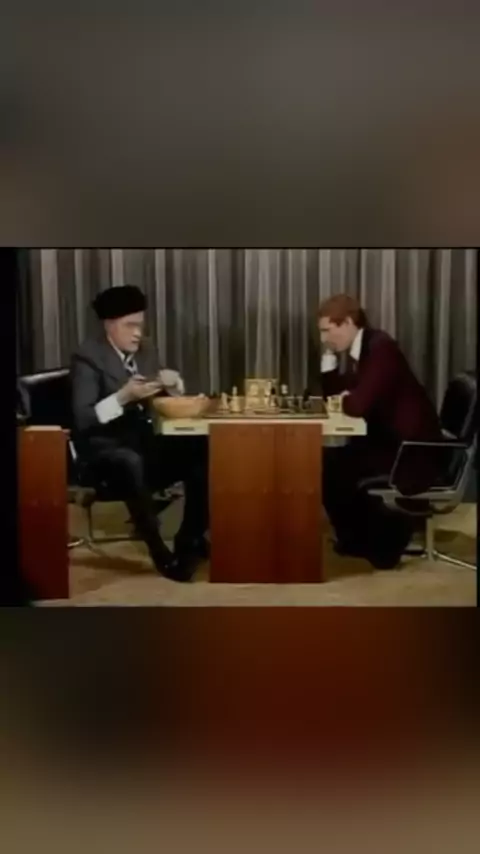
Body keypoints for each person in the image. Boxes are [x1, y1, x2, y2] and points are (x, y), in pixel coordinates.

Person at [70, 285, 209, 582]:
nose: (137, 334)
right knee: (129, 461)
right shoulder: (87, 357)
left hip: (142, 443)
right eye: (129, 326)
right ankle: (160, 553)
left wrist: (172, 385)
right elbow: (83, 418)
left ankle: (190, 538)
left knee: (203, 447)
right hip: (103, 452)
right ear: (109, 325)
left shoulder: (146, 349)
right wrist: (122, 397)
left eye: (140, 325)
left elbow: (157, 395)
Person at [314, 293, 444, 569]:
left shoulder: (381, 349)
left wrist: (347, 398)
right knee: (326, 462)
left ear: (348, 322)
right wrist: (330, 369)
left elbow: (357, 405)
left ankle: (380, 546)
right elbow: (341, 396)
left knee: (334, 466)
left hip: (411, 453)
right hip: (389, 443)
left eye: (327, 330)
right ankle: (356, 540)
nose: (324, 338)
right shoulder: (364, 349)